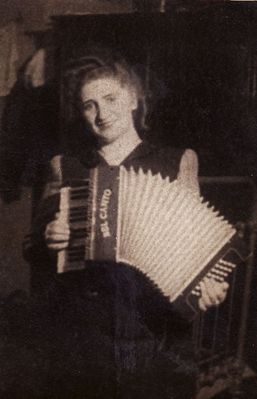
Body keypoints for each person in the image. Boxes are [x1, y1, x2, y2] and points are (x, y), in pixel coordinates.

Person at [23, 50, 229, 399]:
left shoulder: (177, 161)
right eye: (89, 105)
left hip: (155, 331)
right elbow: (30, 246)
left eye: (110, 98)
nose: (101, 114)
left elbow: (196, 242)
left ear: (134, 99)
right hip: (85, 333)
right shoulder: (66, 166)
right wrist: (47, 237)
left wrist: (210, 282)